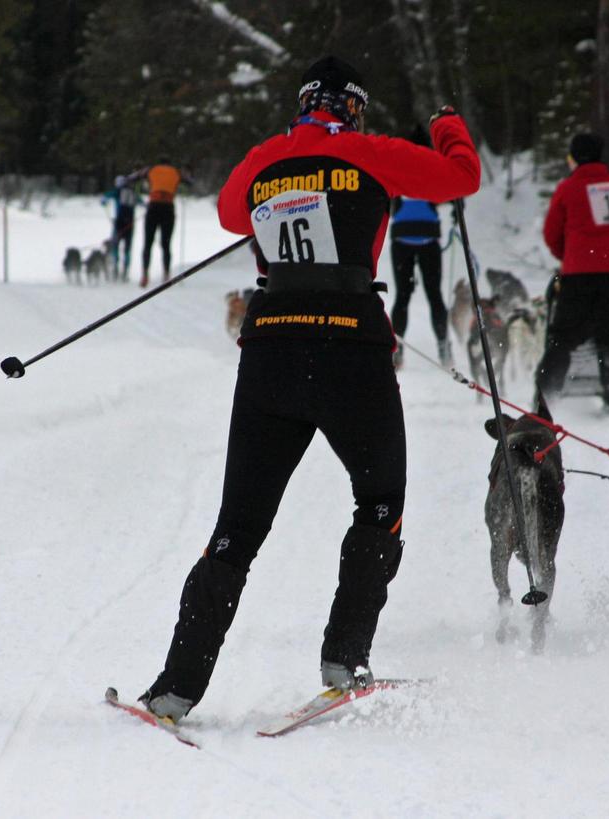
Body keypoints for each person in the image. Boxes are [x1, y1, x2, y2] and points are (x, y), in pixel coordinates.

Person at [138, 56, 480, 723]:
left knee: (237, 527)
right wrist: (444, 126)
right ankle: (344, 660)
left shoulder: (265, 158)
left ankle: (175, 688)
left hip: (270, 350)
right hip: (351, 347)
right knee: (380, 501)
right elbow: (460, 177)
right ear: (353, 108)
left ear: (301, 105)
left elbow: (232, 216)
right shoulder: (372, 153)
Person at [534, 132, 609, 410]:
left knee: (561, 339)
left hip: (578, 278)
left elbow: (551, 234)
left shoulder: (567, 189)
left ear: (573, 158)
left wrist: (571, 257)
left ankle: (545, 398)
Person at [388, 124, 450, 368]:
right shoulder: (434, 164)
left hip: (401, 237)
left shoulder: (397, 166)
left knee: (402, 296)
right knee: (434, 295)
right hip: (428, 236)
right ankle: (444, 348)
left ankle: (397, 351)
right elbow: (448, 194)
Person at [129, 158, 184, 287]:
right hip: (168, 208)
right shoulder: (175, 171)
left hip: (153, 207)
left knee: (148, 243)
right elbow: (187, 181)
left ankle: (145, 274)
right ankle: (166, 274)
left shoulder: (151, 170)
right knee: (166, 244)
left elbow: (135, 177)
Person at [100, 175, 140, 280]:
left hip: (118, 224)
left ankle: (115, 270)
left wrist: (103, 201)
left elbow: (105, 198)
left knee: (115, 247)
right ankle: (125, 273)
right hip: (130, 224)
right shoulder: (132, 193)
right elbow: (142, 203)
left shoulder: (117, 192)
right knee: (127, 249)